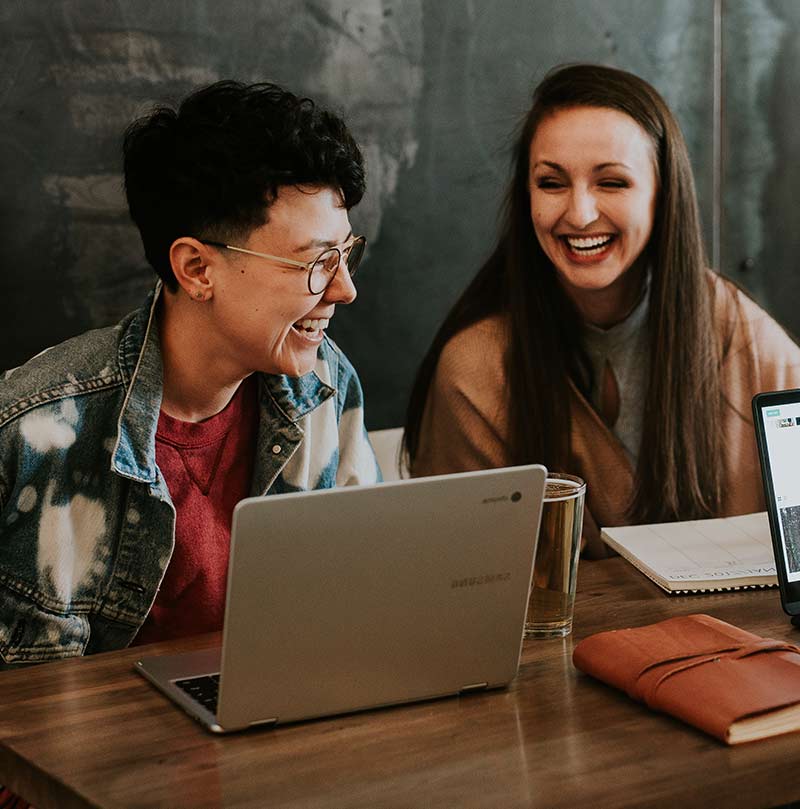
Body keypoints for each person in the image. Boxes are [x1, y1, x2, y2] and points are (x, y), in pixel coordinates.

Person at [0, 80, 379, 667]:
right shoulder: (34, 433)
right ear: (198, 268)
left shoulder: (325, 386)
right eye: (315, 262)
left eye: (346, 254)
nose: (345, 289)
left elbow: (363, 607)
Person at [404, 63, 800, 557]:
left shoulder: (744, 339)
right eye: (551, 183)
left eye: (611, 183)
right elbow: (456, 576)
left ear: (663, 194)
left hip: (739, 634)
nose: (580, 213)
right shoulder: (477, 369)